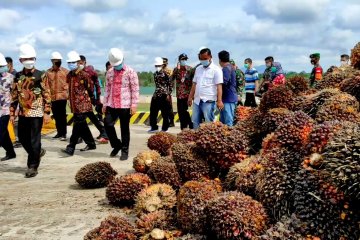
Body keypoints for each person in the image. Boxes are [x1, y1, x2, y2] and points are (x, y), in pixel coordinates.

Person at [10, 44, 51, 178]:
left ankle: (32, 166)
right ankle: (36, 153)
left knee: (35, 139)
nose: (29, 61)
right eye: (26, 58)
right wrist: (12, 112)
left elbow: (47, 94)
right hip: (23, 112)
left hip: (37, 112)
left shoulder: (41, 75)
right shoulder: (18, 76)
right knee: (22, 138)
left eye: (31, 58)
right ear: (21, 60)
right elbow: (14, 95)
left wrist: (47, 112)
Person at [103, 48, 139, 160]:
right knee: (107, 123)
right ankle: (117, 145)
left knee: (124, 128)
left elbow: (135, 89)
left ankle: (125, 150)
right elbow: (107, 89)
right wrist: (104, 104)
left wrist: (134, 105)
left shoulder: (130, 72)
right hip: (112, 104)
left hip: (125, 105)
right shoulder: (109, 72)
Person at [61, 51, 96, 156]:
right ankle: (91, 143)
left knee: (77, 125)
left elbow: (90, 88)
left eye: (73, 62)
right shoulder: (69, 75)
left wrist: (89, 98)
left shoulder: (84, 75)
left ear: (77, 62)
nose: (71, 64)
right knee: (82, 125)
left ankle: (71, 146)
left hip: (83, 104)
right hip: (74, 105)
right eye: (69, 62)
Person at [188, 48, 223, 129]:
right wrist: (190, 97)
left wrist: (219, 100)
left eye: (205, 58)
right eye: (201, 59)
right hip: (197, 101)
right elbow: (194, 84)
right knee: (195, 121)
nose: (203, 60)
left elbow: (219, 86)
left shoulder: (216, 70)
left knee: (209, 123)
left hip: (209, 101)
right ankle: (196, 139)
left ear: (210, 57)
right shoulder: (198, 69)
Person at [79, 55, 108, 143]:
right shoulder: (76, 72)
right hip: (80, 99)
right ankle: (103, 132)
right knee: (86, 116)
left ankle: (102, 132)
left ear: (84, 62)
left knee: (84, 117)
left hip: (90, 97)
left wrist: (97, 97)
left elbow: (97, 84)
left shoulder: (90, 71)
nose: (79, 64)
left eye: (81, 63)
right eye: (77, 63)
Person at [43, 52, 69, 141]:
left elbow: (69, 83)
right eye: (56, 60)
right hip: (52, 97)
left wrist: (67, 91)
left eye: (59, 60)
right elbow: (46, 85)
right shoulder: (48, 72)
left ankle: (64, 133)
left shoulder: (65, 71)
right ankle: (59, 132)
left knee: (62, 115)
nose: (58, 62)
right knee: (56, 116)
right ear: (52, 61)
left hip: (62, 97)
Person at [148, 57, 172, 133]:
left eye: (159, 65)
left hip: (164, 95)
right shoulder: (155, 74)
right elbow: (157, 85)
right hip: (156, 94)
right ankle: (154, 127)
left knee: (165, 113)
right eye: (156, 66)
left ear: (162, 65)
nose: (157, 67)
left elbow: (170, 85)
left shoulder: (166, 74)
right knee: (153, 111)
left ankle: (165, 128)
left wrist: (168, 94)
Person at [0, 53, 16, 161]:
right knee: (4, 133)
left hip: (5, 110)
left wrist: (13, 112)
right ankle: (11, 152)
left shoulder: (11, 78)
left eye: (2, 66)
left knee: (0, 133)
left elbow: (15, 95)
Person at [172, 53, 193, 130]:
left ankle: (189, 125)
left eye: (185, 59)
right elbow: (171, 79)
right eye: (182, 59)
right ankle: (183, 127)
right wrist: (177, 70)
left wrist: (192, 94)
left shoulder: (190, 69)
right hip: (179, 94)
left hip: (187, 94)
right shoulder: (176, 69)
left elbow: (194, 81)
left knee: (185, 110)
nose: (184, 61)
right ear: (179, 60)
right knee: (180, 112)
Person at [5, 57, 21, 148]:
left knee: (16, 121)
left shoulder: (16, 75)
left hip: (15, 101)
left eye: (6, 65)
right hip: (8, 102)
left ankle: (19, 139)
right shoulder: (4, 75)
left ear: (10, 64)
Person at [218, 51, 237, 126]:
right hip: (229, 98)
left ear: (220, 60)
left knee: (228, 122)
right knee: (224, 123)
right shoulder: (230, 67)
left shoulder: (226, 69)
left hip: (228, 99)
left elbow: (223, 83)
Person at [162, 57, 175, 127]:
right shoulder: (160, 70)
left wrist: (168, 92)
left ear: (167, 63)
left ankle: (172, 121)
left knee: (169, 108)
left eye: (164, 62)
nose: (163, 63)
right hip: (160, 92)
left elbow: (171, 82)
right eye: (162, 62)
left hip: (167, 92)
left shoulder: (169, 71)